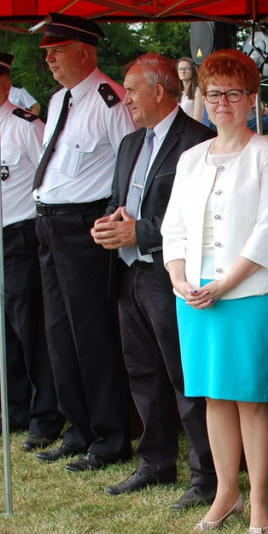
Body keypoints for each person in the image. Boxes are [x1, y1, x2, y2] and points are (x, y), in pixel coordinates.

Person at [161, 49, 268, 534]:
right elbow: (173, 226)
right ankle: (225, 490)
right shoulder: (191, 158)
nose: (222, 102)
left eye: (233, 93)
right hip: (195, 297)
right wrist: (179, 276)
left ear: (251, 98)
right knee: (214, 397)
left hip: (249, 294)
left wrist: (226, 283)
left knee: (251, 398)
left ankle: (258, 496)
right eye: (214, 93)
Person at [90, 53, 217, 509]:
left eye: (130, 89)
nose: (125, 99)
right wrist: (108, 224)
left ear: (158, 91)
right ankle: (156, 462)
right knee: (142, 371)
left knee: (184, 377)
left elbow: (198, 215)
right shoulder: (129, 143)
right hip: (128, 273)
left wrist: (140, 230)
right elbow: (117, 197)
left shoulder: (198, 141)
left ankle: (207, 475)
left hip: (170, 276)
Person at [32, 14, 135, 472]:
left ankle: (111, 436)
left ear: (84, 52)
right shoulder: (58, 101)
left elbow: (130, 166)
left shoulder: (110, 101)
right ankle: (79, 428)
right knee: (58, 331)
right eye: (47, 52)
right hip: (49, 223)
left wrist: (117, 223)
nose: (50, 58)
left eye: (57, 49)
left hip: (84, 226)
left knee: (92, 333)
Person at [0, 48, 63, 449]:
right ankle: (13, 409)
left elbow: (48, 180)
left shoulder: (26, 126)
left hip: (17, 238)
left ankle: (45, 415)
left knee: (29, 329)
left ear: (7, 82)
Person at [176, 57, 204, 122]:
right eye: (180, 69)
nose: (183, 71)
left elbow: (197, 120)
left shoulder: (197, 92)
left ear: (192, 71)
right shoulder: (178, 92)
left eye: (186, 68)